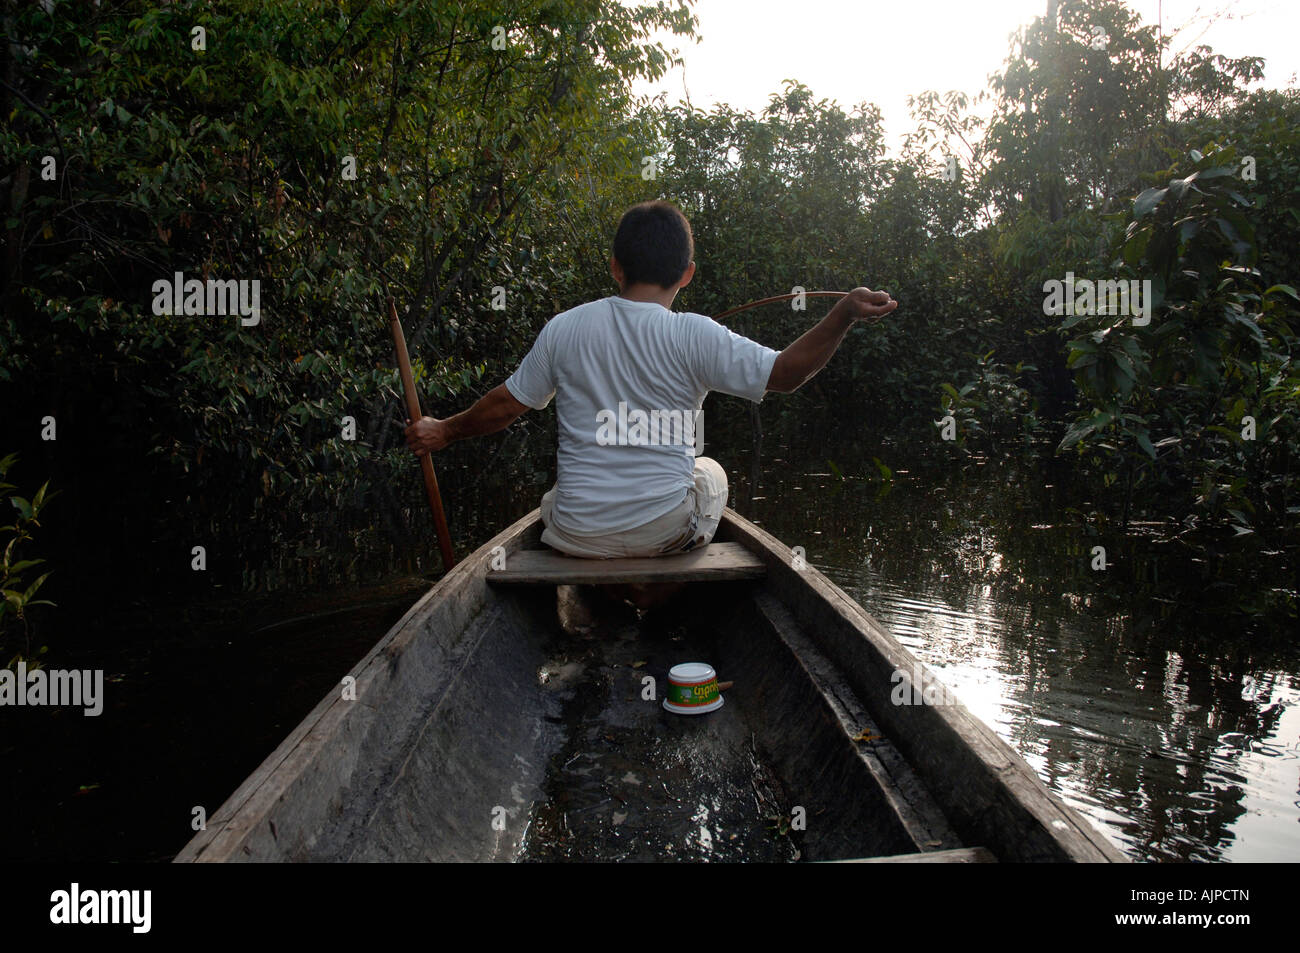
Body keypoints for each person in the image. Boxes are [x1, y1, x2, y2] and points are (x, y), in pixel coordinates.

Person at [404, 200, 898, 580]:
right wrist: (843, 314)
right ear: (686, 274)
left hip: (575, 533)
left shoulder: (564, 328)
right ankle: (658, 589)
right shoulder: (695, 333)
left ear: (615, 266)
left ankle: (616, 586)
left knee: (554, 499)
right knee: (710, 471)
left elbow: (505, 406)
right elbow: (787, 373)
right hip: (660, 531)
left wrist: (444, 431)